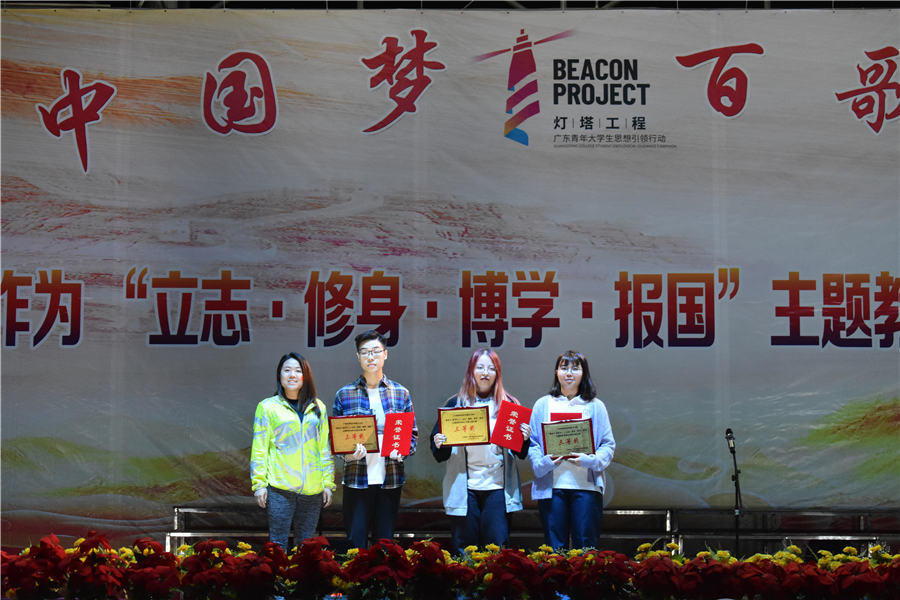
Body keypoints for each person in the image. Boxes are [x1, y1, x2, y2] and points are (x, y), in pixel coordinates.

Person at [431, 349, 531, 554]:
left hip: (498, 488)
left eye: (491, 368)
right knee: (465, 552)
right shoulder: (456, 404)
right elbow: (439, 454)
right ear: (471, 371)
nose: (485, 373)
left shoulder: (509, 405)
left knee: (496, 551)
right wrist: (439, 442)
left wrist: (525, 438)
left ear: (497, 373)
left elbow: (521, 453)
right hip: (464, 489)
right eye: (480, 367)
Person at [333, 330, 417, 549]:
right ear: (358, 357)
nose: (370, 357)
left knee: (385, 544)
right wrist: (347, 455)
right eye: (365, 352)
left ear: (385, 354)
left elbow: (412, 435)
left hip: (390, 479)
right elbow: (336, 438)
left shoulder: (400, 393)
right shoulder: (344, 394)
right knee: (356, 545)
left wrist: (403, 451)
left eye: (375, 351)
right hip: (356, 479)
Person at [527, 350, 615, 550]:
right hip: (552, 487)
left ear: (584, 373)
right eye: (564, 367)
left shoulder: (595, 406)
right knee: (554, 549)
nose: (569, 373)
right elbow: (533, 443)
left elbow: (608, 445)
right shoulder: (543, 404)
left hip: (586, 487)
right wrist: (543, 463)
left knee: (585, 549)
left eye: (575, 368)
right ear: (556, 372)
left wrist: (590, 460)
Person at [250, 352, 335, 551]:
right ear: (279, 375)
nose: (292, 375)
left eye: (298, 370)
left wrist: (327, 483)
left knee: (306, 546)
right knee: (277, 545)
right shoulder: (267, 407)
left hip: (312, 489)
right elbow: (259, 448)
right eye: (287, 370)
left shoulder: (318, 407)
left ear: (305, 376)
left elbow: (324, 448)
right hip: (280, 488)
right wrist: (259, 484)